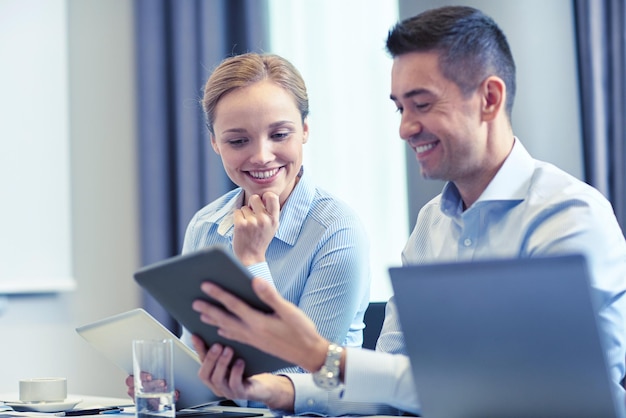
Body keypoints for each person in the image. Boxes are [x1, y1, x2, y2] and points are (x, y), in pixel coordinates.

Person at [188, 5, 626, 416]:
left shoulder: (568, 217)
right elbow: (390, 377)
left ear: (489, 99)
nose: (404, 128)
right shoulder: (431, 226)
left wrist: (318, 356)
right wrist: (273, 390)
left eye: (422, 104)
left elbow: (560, 390)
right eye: (399, 108)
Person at [125, 53, 371, 402]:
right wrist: (173, 384)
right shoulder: (206, 225)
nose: (261, 156)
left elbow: (304, 378)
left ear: (305, 130)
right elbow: (197, 352)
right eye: (238, 141)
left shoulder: (337, 230)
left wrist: (253, 258)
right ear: (214, 143)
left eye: (280, 134)